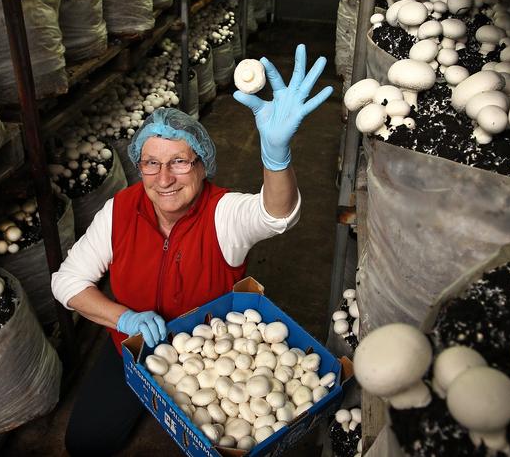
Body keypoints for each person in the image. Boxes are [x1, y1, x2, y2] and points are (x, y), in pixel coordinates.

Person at [51, 44, 332, 456]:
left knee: (226, 437)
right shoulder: (120, 210)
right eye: (151, 163)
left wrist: (275, 157)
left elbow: (277, 215)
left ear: (202, 165)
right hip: (135, 347)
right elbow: (67, 281)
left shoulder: (222, 214)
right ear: (138, 165)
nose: (164, 178)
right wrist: (123, 319)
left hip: (216, 354)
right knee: (85, 443)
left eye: (180, 161)